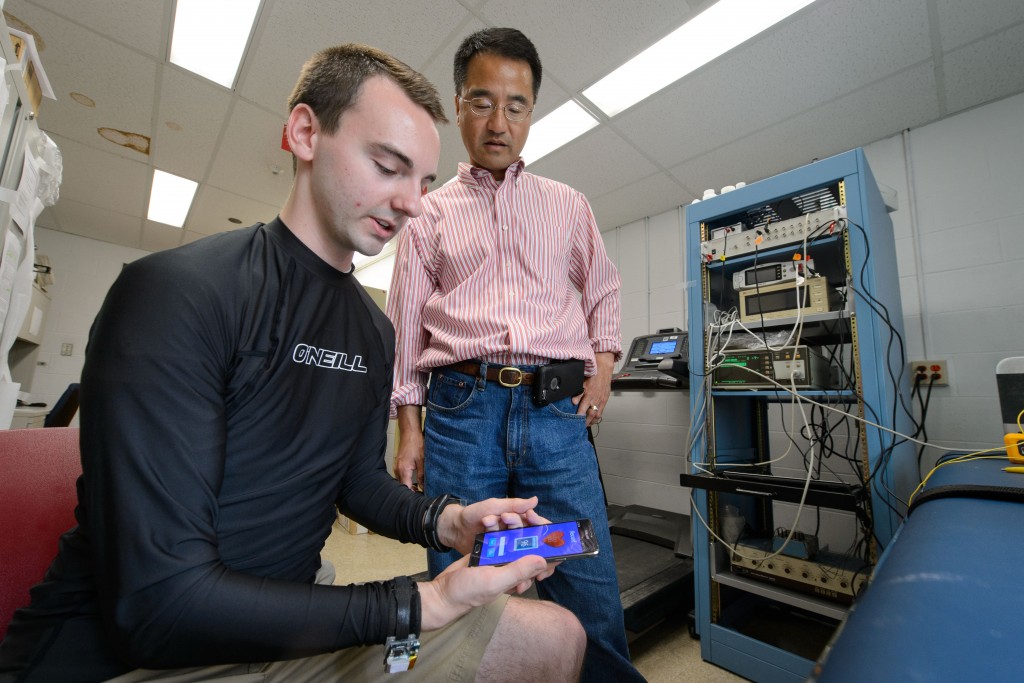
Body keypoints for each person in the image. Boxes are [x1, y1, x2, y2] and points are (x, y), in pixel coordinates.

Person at [0, 44, 586, 683]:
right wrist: (422, 602)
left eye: (422, 182)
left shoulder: (371, 329)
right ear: (305, 133)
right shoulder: (178, 293)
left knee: (554, 635)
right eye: (388, 166)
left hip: (287, 633)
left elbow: (355, 482)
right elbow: (160, 608)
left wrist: (447, 521)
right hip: (140, 658)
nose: (413, 204)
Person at [388, 28, 643, 683]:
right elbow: (405, 324)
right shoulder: (428, 214)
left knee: (585, 578)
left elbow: (603, 287)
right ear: (457, 105)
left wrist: (605, 367)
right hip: (459, 407)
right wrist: (408, 425)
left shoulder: (568, 206)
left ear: (532, 111)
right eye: (481, 101)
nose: (498, 121)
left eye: (516, 104)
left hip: (556, 411)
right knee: (461, 581)